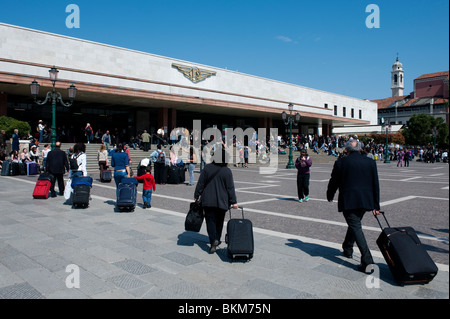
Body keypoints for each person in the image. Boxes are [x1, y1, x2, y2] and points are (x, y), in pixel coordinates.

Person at [326, 139, 381, 273]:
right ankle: (347, 248)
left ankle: (368, 261)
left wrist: (330, 194)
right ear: (360, 148)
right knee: (355, 224)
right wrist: (376, 205)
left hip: (349, 200)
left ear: (347, 149)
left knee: (356, 226)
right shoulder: (370, 162)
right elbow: (375, 184)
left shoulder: (341, 162)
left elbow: (334, 181)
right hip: (365, 201)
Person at [194, 148, 238, 254]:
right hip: (222, 201)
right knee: (220, 221)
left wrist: (197, 195)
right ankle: (217, 239)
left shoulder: (207, 168)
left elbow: (201, 183)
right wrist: (234, 202)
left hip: (208, 200)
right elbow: (230, 188)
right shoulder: (227, 171)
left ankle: (213, 240)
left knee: (210, 221)